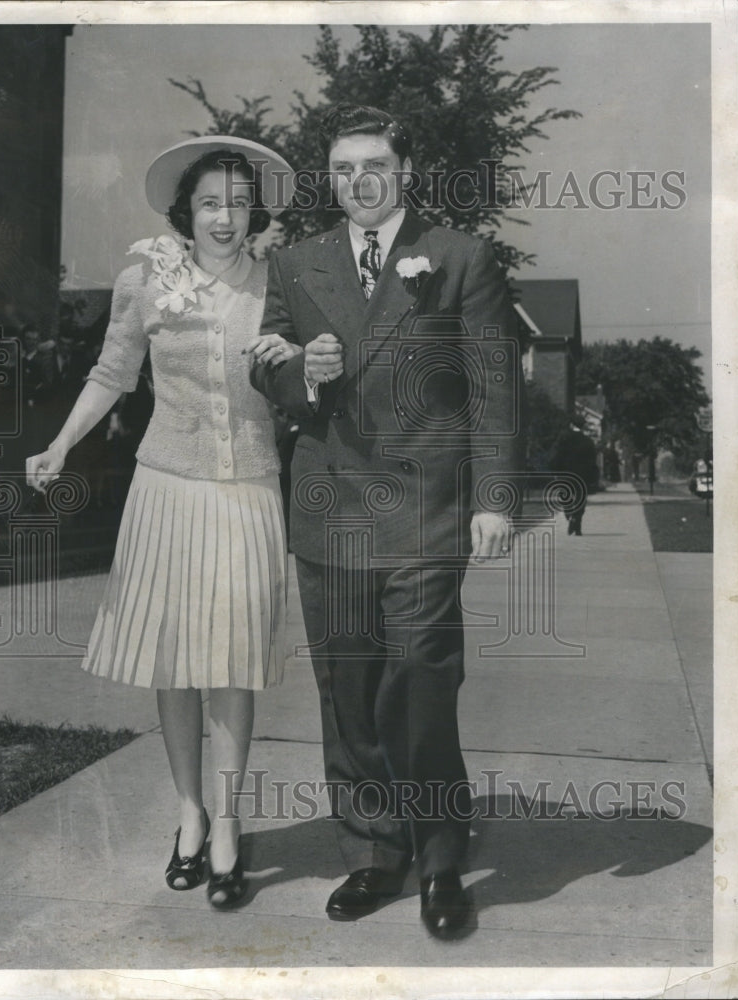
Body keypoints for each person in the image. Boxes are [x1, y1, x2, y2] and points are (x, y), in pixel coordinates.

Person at [250, 103, 523, 938]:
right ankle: (373, 851)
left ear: (403, 172)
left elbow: (492, 389)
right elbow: (269, 370)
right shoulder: (295, 264)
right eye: (341, 169)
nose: (358, 181)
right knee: (350, 691)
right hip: (330, 508)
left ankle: (441, 858)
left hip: (423, 511)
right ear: (328, 179)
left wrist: (494, 498)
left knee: (421, 683)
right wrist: (304, 370)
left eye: (374, 164)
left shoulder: (459, 258)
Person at [27, 135, 298, 908]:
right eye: (210, 202)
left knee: (234, 659)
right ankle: (188, 814)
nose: (224, 217)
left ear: (256, 212)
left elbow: (308, 374)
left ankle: (229, 826)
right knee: (176, 659)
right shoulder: (145, 276)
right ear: (186, 208)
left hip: (248, 485)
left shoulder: (279, 281)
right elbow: (112, 372)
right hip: (167, 485)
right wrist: (59, 444)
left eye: (239, 203)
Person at [550, 421, 598, 535]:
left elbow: (556, 456)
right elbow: (592, 460)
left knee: (565, 495)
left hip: (565, 474)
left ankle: (569, 513)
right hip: (582, 475)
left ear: (571, 425)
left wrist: (554, 469)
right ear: (582, 426)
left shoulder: (563, 440)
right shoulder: (587, 441)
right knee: (580, 497)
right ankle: (577, 520)